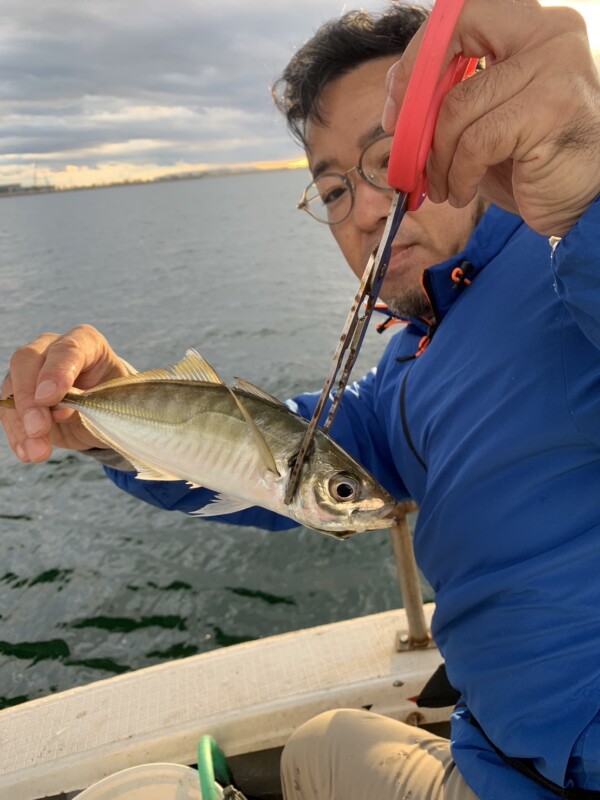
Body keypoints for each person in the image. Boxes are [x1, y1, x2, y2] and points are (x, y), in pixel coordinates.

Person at [2, 0, 600, 797]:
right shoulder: (408, 367)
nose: (367, 212)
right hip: (494, 756)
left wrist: (583, 187)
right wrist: (110, 418)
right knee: (320, 745)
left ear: (472, 135)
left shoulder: (564, 266)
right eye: (333, 191)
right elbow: (267, 451)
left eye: (394, 163)